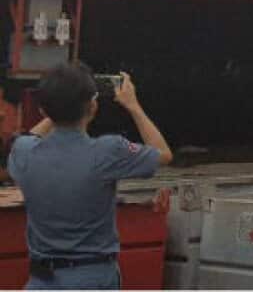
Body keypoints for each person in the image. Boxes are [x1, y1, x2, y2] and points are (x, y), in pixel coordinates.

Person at [7, 64, 173, 290]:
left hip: (41, 281)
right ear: (93, 106)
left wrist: (57, 106)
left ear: (43, 111)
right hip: (93, 278)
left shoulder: (24, 152)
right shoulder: (107, 151)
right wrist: (133, 105)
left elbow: (30, 136)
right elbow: (163, 154)